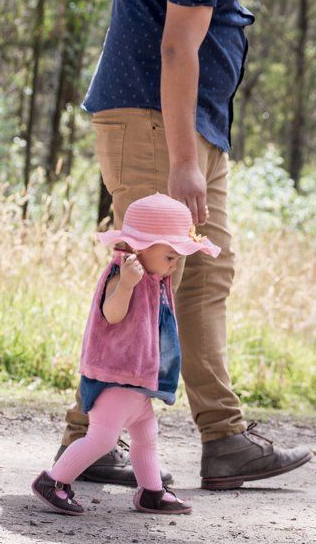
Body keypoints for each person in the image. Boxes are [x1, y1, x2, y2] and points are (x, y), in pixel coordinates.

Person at [56, 0, 316, 490]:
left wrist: (199, 147)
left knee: (207, 276)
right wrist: (184, 161)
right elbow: (178, 47)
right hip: (155, 122)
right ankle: (87, 436)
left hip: (189, 125)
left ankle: (224, 439)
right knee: (145, 277)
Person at [33, 193, 220, 516]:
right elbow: (113, 314)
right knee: (103, 438)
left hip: (135, 379)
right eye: (171, 256)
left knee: (146, 435)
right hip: (113, 377)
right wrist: (127, 286)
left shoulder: (153, 277)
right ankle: (52, 481)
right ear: (140, 246)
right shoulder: (122, 274)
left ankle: (151, 492)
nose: (174, 264)